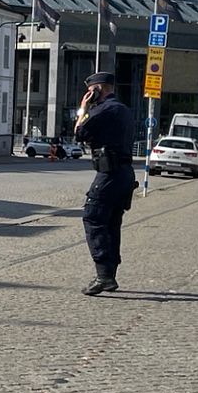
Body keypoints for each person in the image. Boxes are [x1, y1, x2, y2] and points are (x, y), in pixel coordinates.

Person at [73, 72, 136, 295]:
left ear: (97, 89)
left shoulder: (103, 110)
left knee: (93, 216)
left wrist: (83, 106)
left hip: (110, 173)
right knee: (111, 223)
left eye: (91, 91)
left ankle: (103, 276)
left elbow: (79, 132)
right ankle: (109, 275)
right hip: (125, 173)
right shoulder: (123, 110)